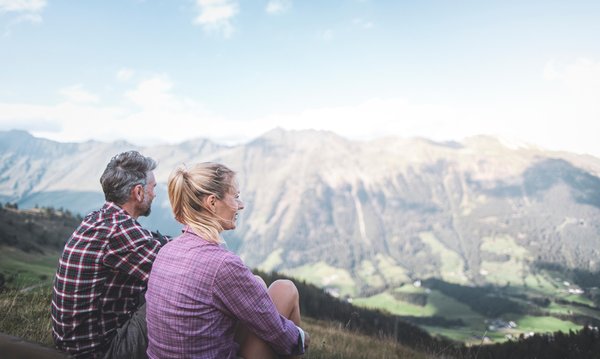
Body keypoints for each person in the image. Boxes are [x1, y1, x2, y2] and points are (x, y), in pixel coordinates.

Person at [145, 162, 309, 359]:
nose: (241, 205)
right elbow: (277, 331)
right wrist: (302, 338)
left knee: (256, 283)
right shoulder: (222, 264)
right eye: (236, 197)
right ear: (212, 202)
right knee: (285, 289)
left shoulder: (167, 250)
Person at [51, 150, 170, 359]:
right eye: (153, 188)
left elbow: (150, 241)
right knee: (180, 294)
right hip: (100, 352)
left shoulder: (99, 218)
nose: (155, 193)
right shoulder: (118, 231)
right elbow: (180, 267)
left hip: (73, 344)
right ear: (139, 192)